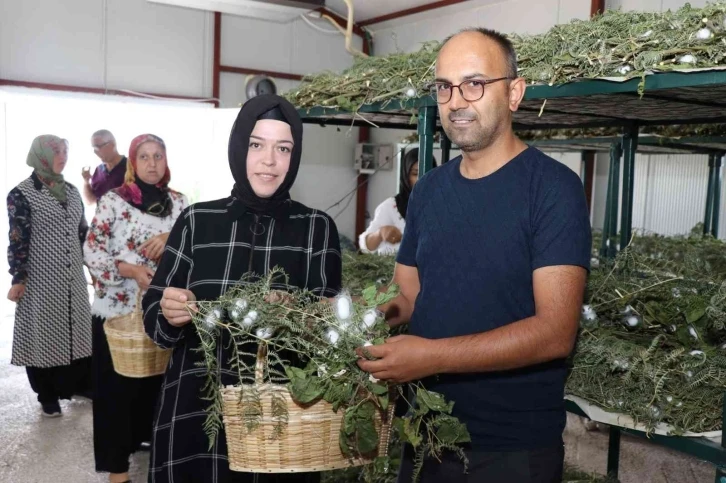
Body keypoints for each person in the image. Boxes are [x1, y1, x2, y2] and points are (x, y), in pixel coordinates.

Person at [357, 28, 591, 483]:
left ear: (515, 93)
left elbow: (555, 332)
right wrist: (347, 315)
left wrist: (431, 357)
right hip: (425, 433)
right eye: (444, 87)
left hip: (510, 449)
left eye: (474, 83)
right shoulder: (428, 191)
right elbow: (405, 295)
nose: (456, 100)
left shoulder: (553, 190)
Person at [142, 94, 342, 483]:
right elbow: (154, 315)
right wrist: (168, 311)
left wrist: (298, 313)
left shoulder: (316, 228)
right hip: (197, 407)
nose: (269, 160)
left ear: (295, 156)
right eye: (256, 145)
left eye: (283, 148)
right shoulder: (197, 221)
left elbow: (333, 331)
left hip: (281, 416)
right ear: (238, 148)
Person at [84, 134, 187, 483]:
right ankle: (118, 469)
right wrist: (129, 270)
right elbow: (92, 250)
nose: (152, 162)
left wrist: (171, 242)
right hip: (118, 313)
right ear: (133, 162)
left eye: (159, 155)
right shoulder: (113, 201)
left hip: (163, 314)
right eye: (144, 156)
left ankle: (153, 451)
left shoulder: (180, 204)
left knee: (158, 391)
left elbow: (193, 254)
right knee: (117, 393)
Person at [6, 135, 93, 417]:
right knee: (43, 335)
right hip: (40, 279)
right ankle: (47, 394)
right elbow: (18, 238)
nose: (62, 157)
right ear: (41, 155)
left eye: (65, 151)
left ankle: (76, 385)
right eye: (56, 152)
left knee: (76, 331)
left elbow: (83, 233)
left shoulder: (70, 190)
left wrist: (94, 267)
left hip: (73, 278)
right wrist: (18, 277)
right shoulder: (21, 194)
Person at [358, 148, 436, 255]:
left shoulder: (442, 206)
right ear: (406, 175)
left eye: (426, 173)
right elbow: (366, 247)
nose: (421, 179)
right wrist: (380, 233)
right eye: (415, 174)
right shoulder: (391, 206)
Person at [82, 129, 128, 205]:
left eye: (98, 147)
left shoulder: (132, 167)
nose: (95, 152)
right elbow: (91, 201)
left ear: (112, 144)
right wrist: (86, 182)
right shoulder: (98, 170)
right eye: (94, 148)